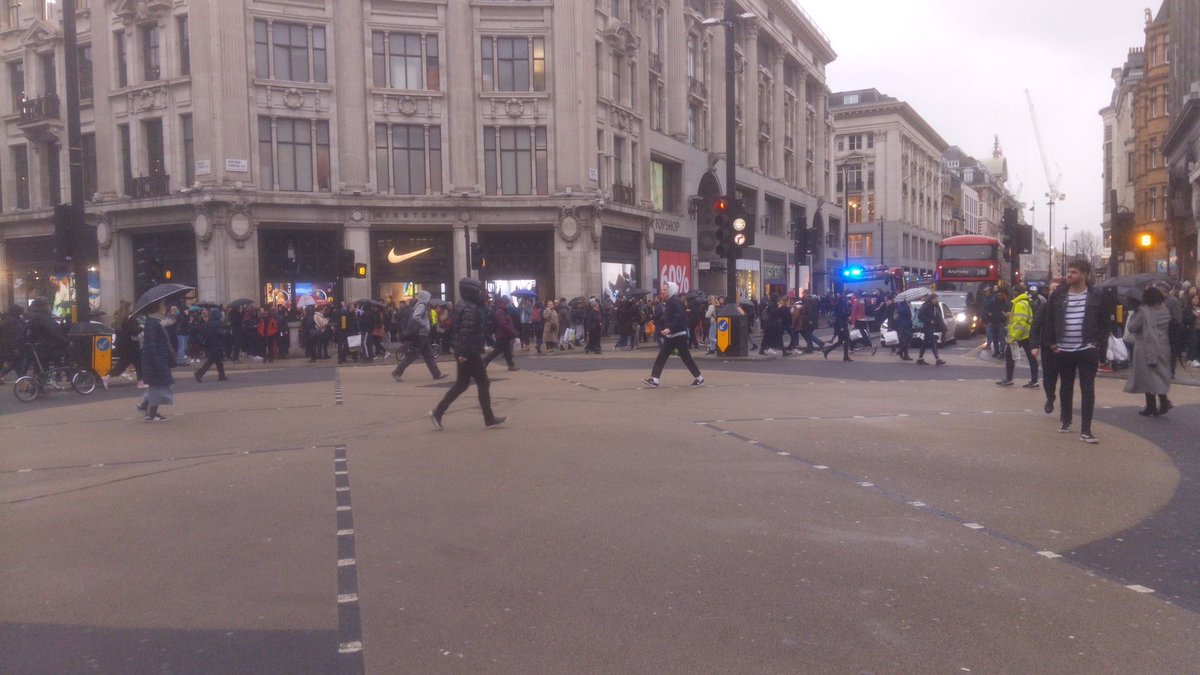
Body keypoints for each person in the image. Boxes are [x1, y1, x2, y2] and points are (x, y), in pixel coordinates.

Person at [1042, 259, 1112, 444]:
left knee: (1088, 389)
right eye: (1069, 271)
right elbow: (1049, 320)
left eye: (1073, 272)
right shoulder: (1059, 294)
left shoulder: (1096, 295)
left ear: (1084, 275)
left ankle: (1086, 430)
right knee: (1066, 387)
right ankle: (1066, 420)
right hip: (1063, 348)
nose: (1069, 275)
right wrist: (1052, 344)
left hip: (1087, 348)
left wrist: (1098, 345)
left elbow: (1104, 323)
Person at [430, 278, 506, 430]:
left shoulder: (462, 305)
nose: (481, 293)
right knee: (483, 383)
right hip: (469, 351)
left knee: (461, 385)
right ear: (472, 292)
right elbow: (466, 331)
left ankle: (438, 412)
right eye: (478, 291)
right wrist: (464, 353)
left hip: (465, 350)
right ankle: (489, 418)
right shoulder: (471, 308)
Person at [1123, 286, 1174, 416]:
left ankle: (1151, 406)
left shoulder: (1143, 312)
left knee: (1147, 376)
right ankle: (1163, 401)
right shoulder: (1165, 310)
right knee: (1159, 375)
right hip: (1163, 346)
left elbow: (1132, 327)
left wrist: (1134, 314)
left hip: (1145, 346)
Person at [642, 282, 704, 388]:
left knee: (670, 357)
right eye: (663, 289)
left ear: (671, 289)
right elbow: (677, 317)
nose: (662, 291)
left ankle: (655, 379)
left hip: (677, 334)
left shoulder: (673, 301)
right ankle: (655, 379)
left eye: (665, 289)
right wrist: (668, 328)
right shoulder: (673, 300)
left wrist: (669, 328)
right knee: (679, 357)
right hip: (675, 334)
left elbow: (678, 317)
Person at [393, 290, 447, 382]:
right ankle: (397, 372)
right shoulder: (421, 306)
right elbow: (416, 316)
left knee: (428, 355)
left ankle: (436, 374)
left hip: (423, 335)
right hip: (420, 335)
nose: (429, 299)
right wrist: (424, 325)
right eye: (428, 297)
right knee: (414, 354)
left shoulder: (421, 306)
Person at [137, 300, 175, 421]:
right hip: (156, 360)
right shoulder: (153, 323)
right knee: (158, 387)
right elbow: (152, 344)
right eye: (163, 306)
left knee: (157, 386)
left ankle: (146, 406)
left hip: (158, 359)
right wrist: (157, 361)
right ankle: (152, 414)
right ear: (158, 308)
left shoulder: (156, 322)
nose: (165, 308)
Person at [1030, 281, 1062, 415]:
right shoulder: (1044, 306)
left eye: (1056, 289)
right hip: (1048, 347)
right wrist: (1034, 345)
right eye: (1051, 289)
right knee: (1048, 376)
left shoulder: (1067, 306)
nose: (1053, 292)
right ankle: (1050, 396)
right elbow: (1036, 326)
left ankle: (1065, 407)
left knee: (1066, 378)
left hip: (1065, 347)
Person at [998, 284, 1038, 388]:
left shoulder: (1019, 304)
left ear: (1016, 293)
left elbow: (1020, 322)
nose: (1012, 294)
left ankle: (1009, 379)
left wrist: (1013, 337)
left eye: (1013, 292)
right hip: (1027, 334)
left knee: (1009, 355)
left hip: (1021, 335)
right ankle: (1034, 381)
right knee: (1031, 357)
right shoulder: (1026, 302)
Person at [484, 295, 521, 370]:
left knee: (506, 350)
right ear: (504, 303)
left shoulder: (503, 311)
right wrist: (513, 331)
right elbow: (503, 324)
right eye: (508, 303)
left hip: (504, 334)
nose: (509, 305)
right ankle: (484, 361)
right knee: (498, 351)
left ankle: (511, 365)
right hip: (502, 334)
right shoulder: (500, 312)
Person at [193, 308, 229, 383]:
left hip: (210, 344)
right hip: (216, 344)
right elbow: (221, 333)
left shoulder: (208, 323)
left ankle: (222, 375)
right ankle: (199, 373)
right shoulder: (216, 323)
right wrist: (225, 332)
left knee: (218, 361)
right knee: (211, 361)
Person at [915, 294, 947, 366]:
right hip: (926, 327)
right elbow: (920, 316)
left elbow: (938, 317)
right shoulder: (926, 306)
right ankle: (937, 359)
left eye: (937, 299)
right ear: (931, 299)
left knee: (925, 343)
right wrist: (929, 320)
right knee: (933, 341)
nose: (936, 300)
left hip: (931, 327)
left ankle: (920, 359)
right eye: (935, 299)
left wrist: (943, 326)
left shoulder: (934, 306)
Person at [821, 292, 853, 361]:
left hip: (841, 325)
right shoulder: (841, 306)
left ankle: (827, 351)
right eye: (846, 299)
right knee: (846, 340)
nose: (846, 300)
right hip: (842, 326)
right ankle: (845, 357)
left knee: (840, 342)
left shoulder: (842, 305)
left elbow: (845, 314)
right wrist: (841, 327)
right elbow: (839, 317)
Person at [0, 304, 26, 382]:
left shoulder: (5, 321)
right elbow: (15, 336)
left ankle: (23, 382)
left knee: (15, 365)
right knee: (18, 365)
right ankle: (23, 383)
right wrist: (16, 348)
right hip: (14, 348)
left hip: (7, 348)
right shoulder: (14, 322)